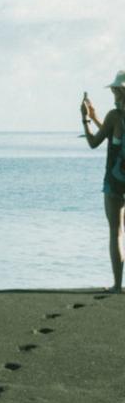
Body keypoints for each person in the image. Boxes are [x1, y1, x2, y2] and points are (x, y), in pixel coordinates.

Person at [81, 70, 125, 292]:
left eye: (115, 90)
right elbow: (114, 136)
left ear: (119, 91)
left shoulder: (115, 116)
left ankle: (118, 285)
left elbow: (94, 142)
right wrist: (97, 116)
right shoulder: (111, 118)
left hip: (115, 182)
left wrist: (85, 119)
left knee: (115, 232)